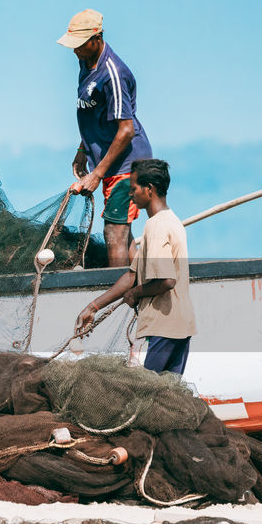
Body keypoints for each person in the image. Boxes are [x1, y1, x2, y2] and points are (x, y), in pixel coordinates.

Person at [74, 159, 195, 376]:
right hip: (181, 326)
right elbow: (133, 275)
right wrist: (93, 307)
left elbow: (166, 281)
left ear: (149, 189)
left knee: (148, 395)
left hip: (164, 328)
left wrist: (136, 293)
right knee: (169, 398)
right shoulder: (171, 221)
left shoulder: (156, 226)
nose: (131, 195)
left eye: (134, 189)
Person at [56, 9, 154, 267]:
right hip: (109, 164)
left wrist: (96, 174)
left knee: (114, 232)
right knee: (123, 233)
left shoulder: (113, 73)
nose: (74, 50)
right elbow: (93, 114)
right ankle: (134, 292)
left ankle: (114, 297)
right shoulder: (85, 64)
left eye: (79, 44)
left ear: (96, 38)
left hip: (128, 165)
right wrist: (83, 150)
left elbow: (126, 129)